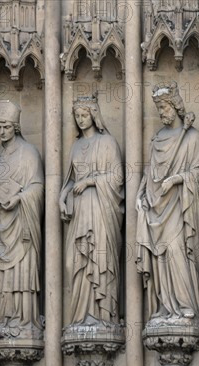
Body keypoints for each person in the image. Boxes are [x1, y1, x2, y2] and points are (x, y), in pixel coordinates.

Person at [136, 81, 199, 320]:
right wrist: (141, 195)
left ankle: (186, 303)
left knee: (177, 251)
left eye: (165, 108)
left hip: (179, 205)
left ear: (176, 106)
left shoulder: (192, 137)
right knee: (160, 256)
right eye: (159, 110)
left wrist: (177, 179)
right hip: (156, 207)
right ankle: (165, 306)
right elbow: (149, 173)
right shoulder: (157, 140)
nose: (162, 113)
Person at [59, 94, 124, 324]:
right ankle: (81, 316)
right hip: (79, 215)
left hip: (101, 212)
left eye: (85, 115)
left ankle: (101, 315)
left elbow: (117, 178)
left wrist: (90, 181)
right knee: (74, 262)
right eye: (77, 116)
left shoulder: (107, 143)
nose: (81, 120)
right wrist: (61, 197)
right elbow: (69, 180)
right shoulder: (76, 146)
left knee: (99, 260)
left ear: (94, 115)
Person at [0, 100, 44, 336]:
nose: (1, 131)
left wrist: (19, 198)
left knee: (22, 271)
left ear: (16, 127)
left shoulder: (29, 153)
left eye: (6, 126)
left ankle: (22, 320)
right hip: (0, 228)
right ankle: (1, 319)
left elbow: (38, 187)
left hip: (21, 225)